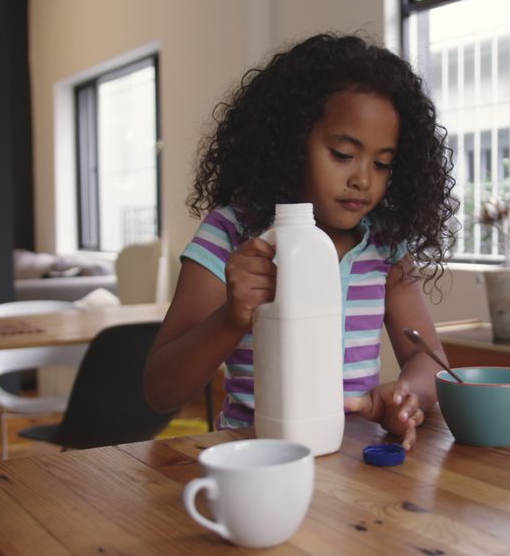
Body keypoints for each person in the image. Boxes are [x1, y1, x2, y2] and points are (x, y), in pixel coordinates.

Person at [143, 33, 456, 449]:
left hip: (352, 463)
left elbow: (427, 359)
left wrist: (405, 396)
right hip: (257, 459)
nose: (363, 178)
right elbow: (160, 390)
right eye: (343, 154)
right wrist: (232, 317)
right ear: (290, 145)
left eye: (382, 164)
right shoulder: (232, 233)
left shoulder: (386, 245)